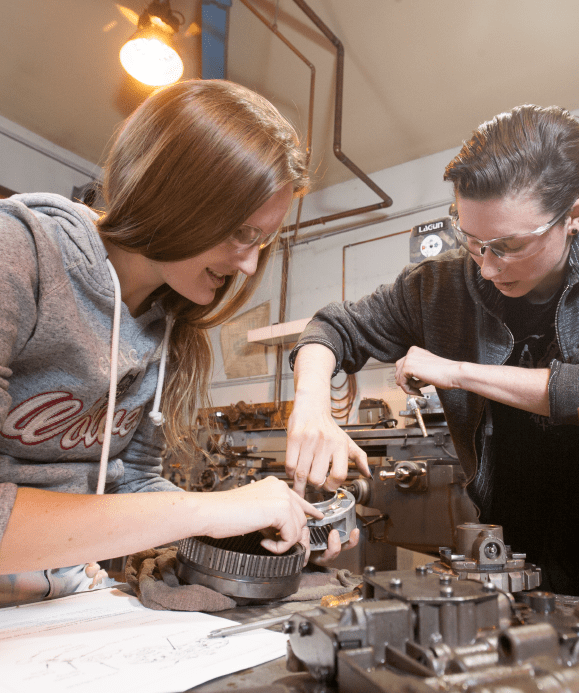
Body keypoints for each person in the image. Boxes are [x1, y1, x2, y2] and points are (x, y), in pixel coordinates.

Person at [0, 78, 339, 607]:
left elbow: (133, 483)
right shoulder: (17, 255)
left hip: (64, 595)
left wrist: (258, 529)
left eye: (263, 239)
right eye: (242, 233)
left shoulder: (169, 326)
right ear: (175, 197)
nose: (250, 265)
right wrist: (211, 511)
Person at [286, 104, 579, 596]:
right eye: (473, 240)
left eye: (509, 246)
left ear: (571, 216)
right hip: (513, 544)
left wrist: (457, 372)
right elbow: (334, 327)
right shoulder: (438, 287)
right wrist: (311, 407)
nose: (487, 267)